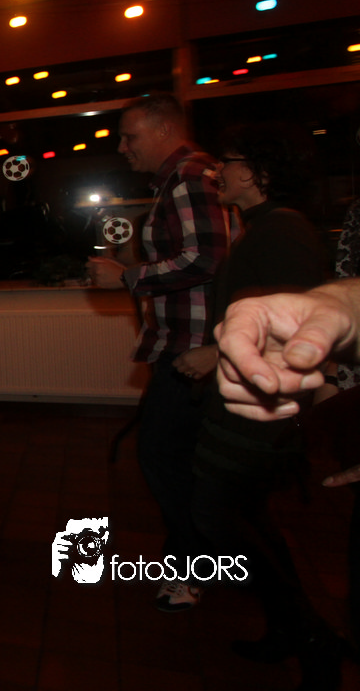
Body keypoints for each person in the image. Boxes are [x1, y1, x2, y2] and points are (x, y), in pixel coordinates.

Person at [170, 124, 339, 686]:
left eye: (228, 161)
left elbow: (300, 322)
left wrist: (214, 352)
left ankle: (311, 635)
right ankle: (291, 629)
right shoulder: (262, 227)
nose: (218, 171)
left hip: (262, 410)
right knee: (247, 518)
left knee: (216, 514)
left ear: (257, 172)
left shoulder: (282, 231)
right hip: (249, 400)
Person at [86, 92, 228, 611]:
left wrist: (128, 276)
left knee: (163, 457)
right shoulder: (177, 180)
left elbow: (206, 259)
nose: (122, 147)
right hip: (182, 342)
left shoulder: (189, 177)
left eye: (131, 136)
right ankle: (202, 558)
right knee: (180, 458)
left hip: (193, 348)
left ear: (164, 130)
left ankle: (194, 566)